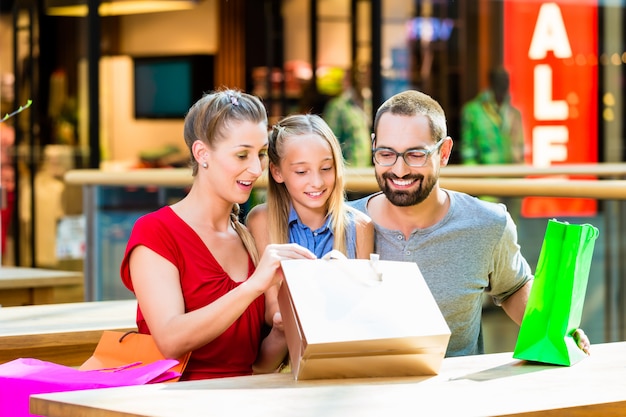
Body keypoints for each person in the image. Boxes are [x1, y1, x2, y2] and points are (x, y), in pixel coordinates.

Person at [349, 89, 591, 357]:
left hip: (455, 395)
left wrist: (558, 329)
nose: (399, 169)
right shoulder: (340, 225)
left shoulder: (487, 224)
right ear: (373, 146)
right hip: (366, 394)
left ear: (444, 152)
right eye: (386, 153)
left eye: (415, 154)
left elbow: (514, 287)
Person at [120, 89, 316, 381]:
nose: (255, 168)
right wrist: (252, 287)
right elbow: (170, 341)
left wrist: (280, 330)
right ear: (202, 154)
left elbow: (256, 365)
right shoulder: (156, 232)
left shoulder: (248, 237)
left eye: (261, 154)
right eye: (241, 154)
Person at [246, 113, 374, 324]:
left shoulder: (360, 226)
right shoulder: (261, 221)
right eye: (302, 171)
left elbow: (363, 308)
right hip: (284, 350)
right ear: (277, 172)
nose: (316, 181)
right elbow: (272, 310)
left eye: (326, 168)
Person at [460, 66, 524, 165]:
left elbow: (519, 148)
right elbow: (468, 150)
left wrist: (520, 174)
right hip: (485, 175)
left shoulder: (515, 114)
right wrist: (473, 177)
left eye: (506, 81)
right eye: (500, 81)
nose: (504, 85)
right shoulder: (473, 111)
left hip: (511, 174)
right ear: (491, 83)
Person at [323, 68, 372, 167]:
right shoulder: (337, 107)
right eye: (359, 78)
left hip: (366, 170)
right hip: (348, 172)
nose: (363, 81)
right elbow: (329, 144)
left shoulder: (368, 105)